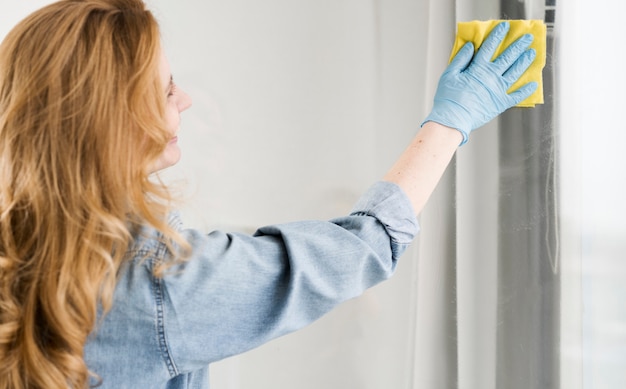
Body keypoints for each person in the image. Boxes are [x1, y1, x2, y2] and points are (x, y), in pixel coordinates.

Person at [0, 0, 537, 388]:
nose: (182, 100)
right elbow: (359, 249)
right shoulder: (153, 283)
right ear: (114, 119)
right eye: (166, 89)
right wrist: (451, 120)